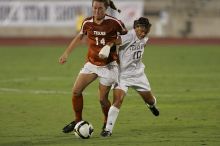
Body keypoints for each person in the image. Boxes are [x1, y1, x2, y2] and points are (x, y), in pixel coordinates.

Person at [59, 0, 127, 134]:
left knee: (102, 100)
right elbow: (79, 37)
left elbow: (124, 36)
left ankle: (107, 123)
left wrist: (112, 43)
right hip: (91, 64)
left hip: (109, 66)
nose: (96, 11)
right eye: (94, 8)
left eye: (100, 8)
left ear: (106, 8)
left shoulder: (114, 23)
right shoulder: (87, 22)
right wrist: (66, 53)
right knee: (76, 91)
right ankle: (77, 121)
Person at [98, 17, 159, 137]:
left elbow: (141, 47)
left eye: (145, 32)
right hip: (122, 75)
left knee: (150, 100)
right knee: (118, 100)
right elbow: (115, 41)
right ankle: (108, 129)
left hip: (138, 75)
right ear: (136, 28)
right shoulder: (129, 36)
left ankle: (151, 105)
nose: (142, 34)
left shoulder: (145, 38)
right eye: (141, 31)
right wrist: (107, 47)